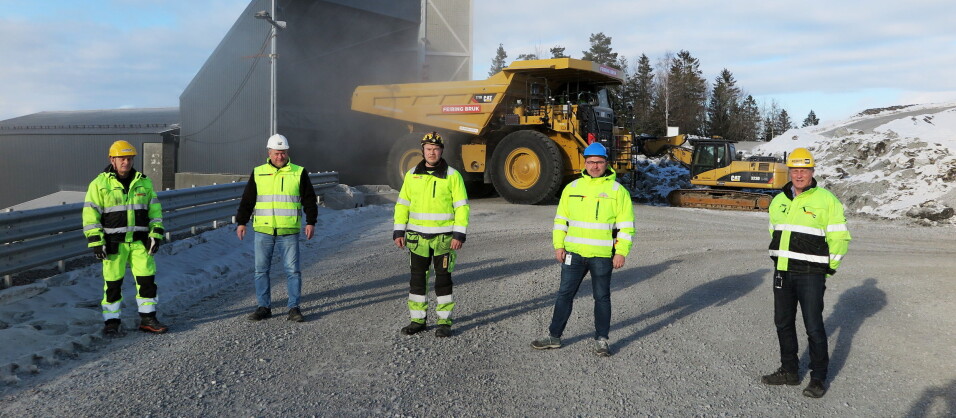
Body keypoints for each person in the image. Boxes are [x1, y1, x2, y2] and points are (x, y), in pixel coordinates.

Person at [761, 147, 851, 398]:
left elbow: (840, 236)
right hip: (782, 272)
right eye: (795, 170)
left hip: (811, 274)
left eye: (804, 170)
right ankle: (789, 370)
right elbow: (774, 232)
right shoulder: (779, 200)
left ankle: (818, 378)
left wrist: (829, 267)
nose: (799, 175)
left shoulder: (826, 200)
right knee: (783, 323)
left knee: (813, 326)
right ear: (789, 172)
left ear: (812, 172)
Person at [531, 142, 634, 357]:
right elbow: (561, 220)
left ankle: (602, 340)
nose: (595, 166)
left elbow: (626, 225)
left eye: (599, 162)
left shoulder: (617, 191)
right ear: (584, 163)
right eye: (590, 162)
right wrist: (559, 245)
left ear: (607, 163)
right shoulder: (573, 188)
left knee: (602, 297)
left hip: (602, 255)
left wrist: (621, 251)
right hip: (574, 254)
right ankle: (554, 336)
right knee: (564, 295)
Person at [82, 140, 169, 336]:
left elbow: (155, 212)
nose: (126, 162)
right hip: (114, 244)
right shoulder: (99, 184)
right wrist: (96, 241)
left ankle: (148, 318)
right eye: (122, 158)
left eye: (129, 158)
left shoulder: (144, 182)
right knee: (112, 284)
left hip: (140, 242)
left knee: (147, 281)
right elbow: (90, 216)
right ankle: (111, 322)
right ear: (112, 159)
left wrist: (155, 234)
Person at [393, 132, 469, 338]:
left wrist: (458, 235)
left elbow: (461, 208)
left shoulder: (453, 176)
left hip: (444, 239)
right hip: (417, 239)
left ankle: (444, 322)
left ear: (441, 150)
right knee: (417, 280)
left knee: (443, 281)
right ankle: (417, 320)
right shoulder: (411, 175)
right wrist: (399, 230)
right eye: (428, 149)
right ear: (423, 151)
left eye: (435, 149)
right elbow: (402, 205)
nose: (432, 152)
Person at [235, 134, 318, 322]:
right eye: (276, 153)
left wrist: (311, 221)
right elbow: (248, 200)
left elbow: (309, 199)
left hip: (288, 231)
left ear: (287, 153)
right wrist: (242, 222)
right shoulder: (258, 172)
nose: (280, 157)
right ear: (269, 153)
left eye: (283, 153)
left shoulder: (298, 172)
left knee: (293, 271)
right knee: (261, 271)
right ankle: (264, 307)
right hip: (263, 231)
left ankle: (294, 308)